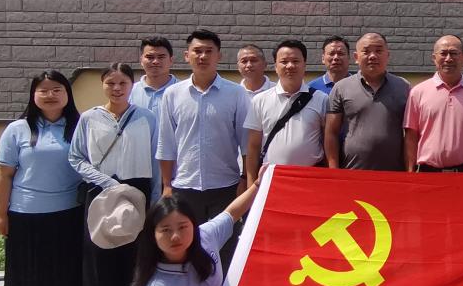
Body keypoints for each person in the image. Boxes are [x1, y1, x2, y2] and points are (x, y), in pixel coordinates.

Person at [68, 63, 159, 286]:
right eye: (111, 83)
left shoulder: (146, 117)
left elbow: (156, 159)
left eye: (122, 83)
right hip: (102, 191)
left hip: (138, 191)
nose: (117, 88)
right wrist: (107, 182)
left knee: (131, 258)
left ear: (132, 85)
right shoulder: (89, 118)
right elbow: (76, 158)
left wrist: (155, 197)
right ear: (103, 85)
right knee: (100, 261)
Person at [0, 71, 84, 286]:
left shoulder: (80, 126)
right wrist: (0, 214)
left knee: (63, 272)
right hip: (26, 214)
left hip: (69, 212)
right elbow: (4, 175)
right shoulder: (17, 130)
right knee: (30, 275)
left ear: (67, 94)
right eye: (43, 90)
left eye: (57, 89)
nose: (50, 95)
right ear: (33, 95)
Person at [156, 29, 249, 272]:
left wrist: (245, 179)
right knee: (186, 247)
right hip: (185, 186)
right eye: (197, 51)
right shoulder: (172, 94)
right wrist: (167, 185)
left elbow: (246, 142)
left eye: (209, 51)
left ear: (219, 56)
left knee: (226, 249)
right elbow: (166, 143)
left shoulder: (236, 93)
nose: (203, 56)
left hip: (226, 186)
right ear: (187, 55)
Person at [404, 35, 463, 172]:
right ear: (434, 58)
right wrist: (410, 172)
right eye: (443, 53)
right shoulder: (417, 93)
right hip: (429, 173)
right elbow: (411, 137)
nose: (448, 59)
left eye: (453, 53)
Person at [244, 39, 329, 181]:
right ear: (275, 66)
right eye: (284, 62)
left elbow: (329, 143)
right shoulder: (260, 100)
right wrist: (251, 184)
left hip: (311, 177)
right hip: (271, 178)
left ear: (304, 65)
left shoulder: (321, 99)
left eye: (295, 61)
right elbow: (253, 147)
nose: (290, 66)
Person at [326, 32, 410, 171]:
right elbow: (331, 133)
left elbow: (410, 135)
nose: (372, 56)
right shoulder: (341, 88)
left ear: (387, 55)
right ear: (356, 57)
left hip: (394, 173)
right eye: (366, 51)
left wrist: (410, 171)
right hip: (352, 171)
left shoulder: (404, 87)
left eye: (378, 51)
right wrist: (333, 170)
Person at [129, 37, 178, 117]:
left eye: (161, 57)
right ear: (141, 60)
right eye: (150, 57)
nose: (155, 61)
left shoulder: (185, 92)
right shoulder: (129, 92)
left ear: (171, 60)